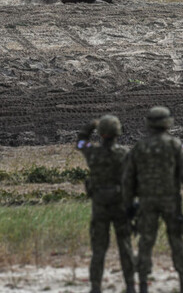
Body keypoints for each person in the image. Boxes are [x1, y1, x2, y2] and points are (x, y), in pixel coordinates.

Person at [122, 106, 183, 293]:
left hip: (147, 201)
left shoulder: (139, 147)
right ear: (168, 123)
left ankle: (142, 284)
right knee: (176, 241)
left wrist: (128, 204)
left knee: (145, 241)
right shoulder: (174, 145)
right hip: (171, 201)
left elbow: (128, 180)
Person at [76, 115, 136, 293]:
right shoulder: (125, 154)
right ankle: (131, 285)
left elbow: (80, 142)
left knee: (99, 249)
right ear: (118, 133)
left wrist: (91, 125)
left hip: (100, 205)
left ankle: (95, 286)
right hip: (120, 204)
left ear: (101, 134)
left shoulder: (92, 153)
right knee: (125, 246)